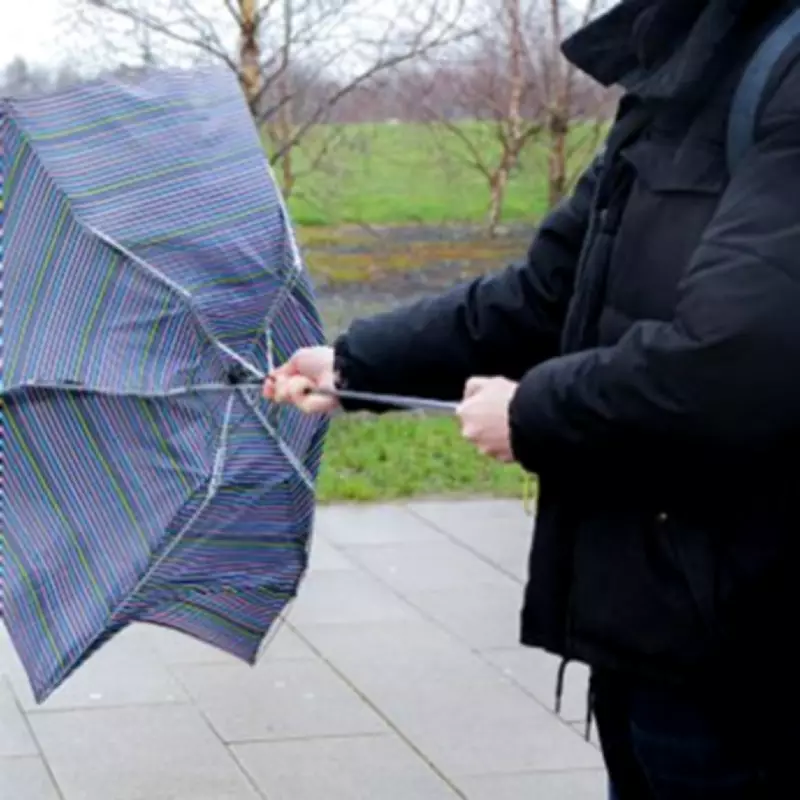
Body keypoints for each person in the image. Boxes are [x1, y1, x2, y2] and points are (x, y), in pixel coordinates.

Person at [266, 1, 800, 796]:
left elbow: (739, 357)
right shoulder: (685, 63)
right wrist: (355, 363)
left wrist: (533, 414)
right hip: (657, 635)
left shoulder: (782, 70)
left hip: (754, 659)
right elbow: (547, 290)